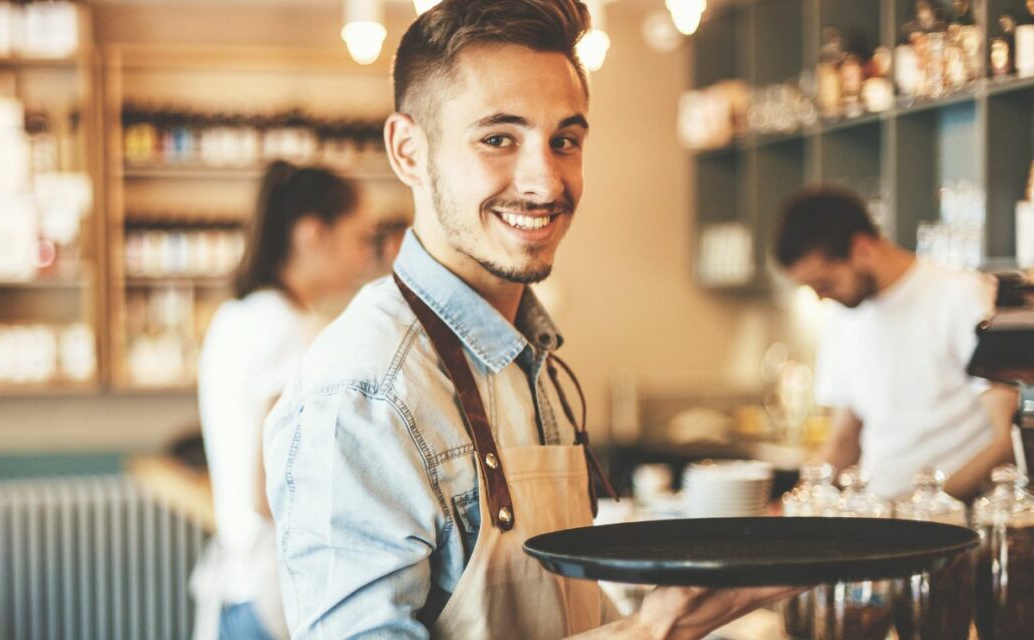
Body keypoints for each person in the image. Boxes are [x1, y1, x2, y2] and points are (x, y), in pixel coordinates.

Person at [263, 1, 798, 638]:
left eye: (564, 141)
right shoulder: (362, 395)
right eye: (498, 139)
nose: (545, 184)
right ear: (408, 150)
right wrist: (654, 631)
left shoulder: (529, 357)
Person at [193, 161, 377, 640]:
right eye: (360, 239)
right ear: (313, 234)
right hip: (275, 591)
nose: (365, 258)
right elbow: (272, 486)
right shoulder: (289, 332)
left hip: (240, 583)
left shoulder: (238, 316)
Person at [775, 186, 1020, 500]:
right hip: (878, 517)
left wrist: (929, 511)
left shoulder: (961, 297)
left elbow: (1006, 440)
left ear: (862, 248)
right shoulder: (842, 317)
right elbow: (843, 442)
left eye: (825, 283)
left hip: (953, 522)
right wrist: (796, 506)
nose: (821, 297)